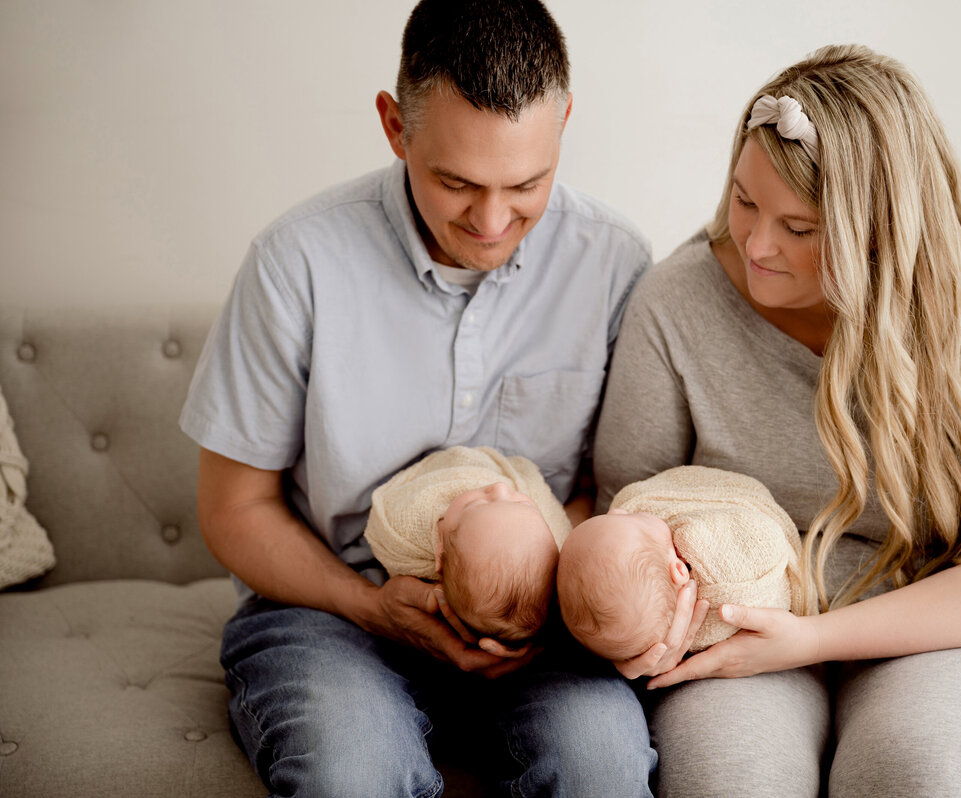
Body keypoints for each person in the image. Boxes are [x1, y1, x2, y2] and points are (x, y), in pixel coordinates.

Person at [179, 1, 666, 795]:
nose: (492, 219)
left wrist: (528, 591)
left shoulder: (613, 263)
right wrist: (371, 606)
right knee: (349, 774)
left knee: (600, 769)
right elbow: (232, 508)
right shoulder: (294, 263)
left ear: (565, 122)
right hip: (332, 614)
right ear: (394, 127)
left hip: (538, 630)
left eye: (527, 183)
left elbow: (603, 490)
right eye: (456, 183)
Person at [593, 44, 961, 797]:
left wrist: (813, 639)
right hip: (746, 621)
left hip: (955, 622)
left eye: (800, 228)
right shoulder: (677, 301)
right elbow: (628, 507)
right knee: (730, 777)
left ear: (884, 231)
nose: (758, 246)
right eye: (744, 201)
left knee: (921, 768)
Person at [558, 464, 807, 666]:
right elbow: (764, 538)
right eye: (634, 519)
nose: (618, 511)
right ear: (678, 569)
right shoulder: (715, 572)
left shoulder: (644, 611)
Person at [364, 445, 573, 650]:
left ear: (440, 555)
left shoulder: (407, 529)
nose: (500, 487)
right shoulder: (557, 536)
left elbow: (381, 525)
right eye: (523, 505)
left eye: (474, 505)